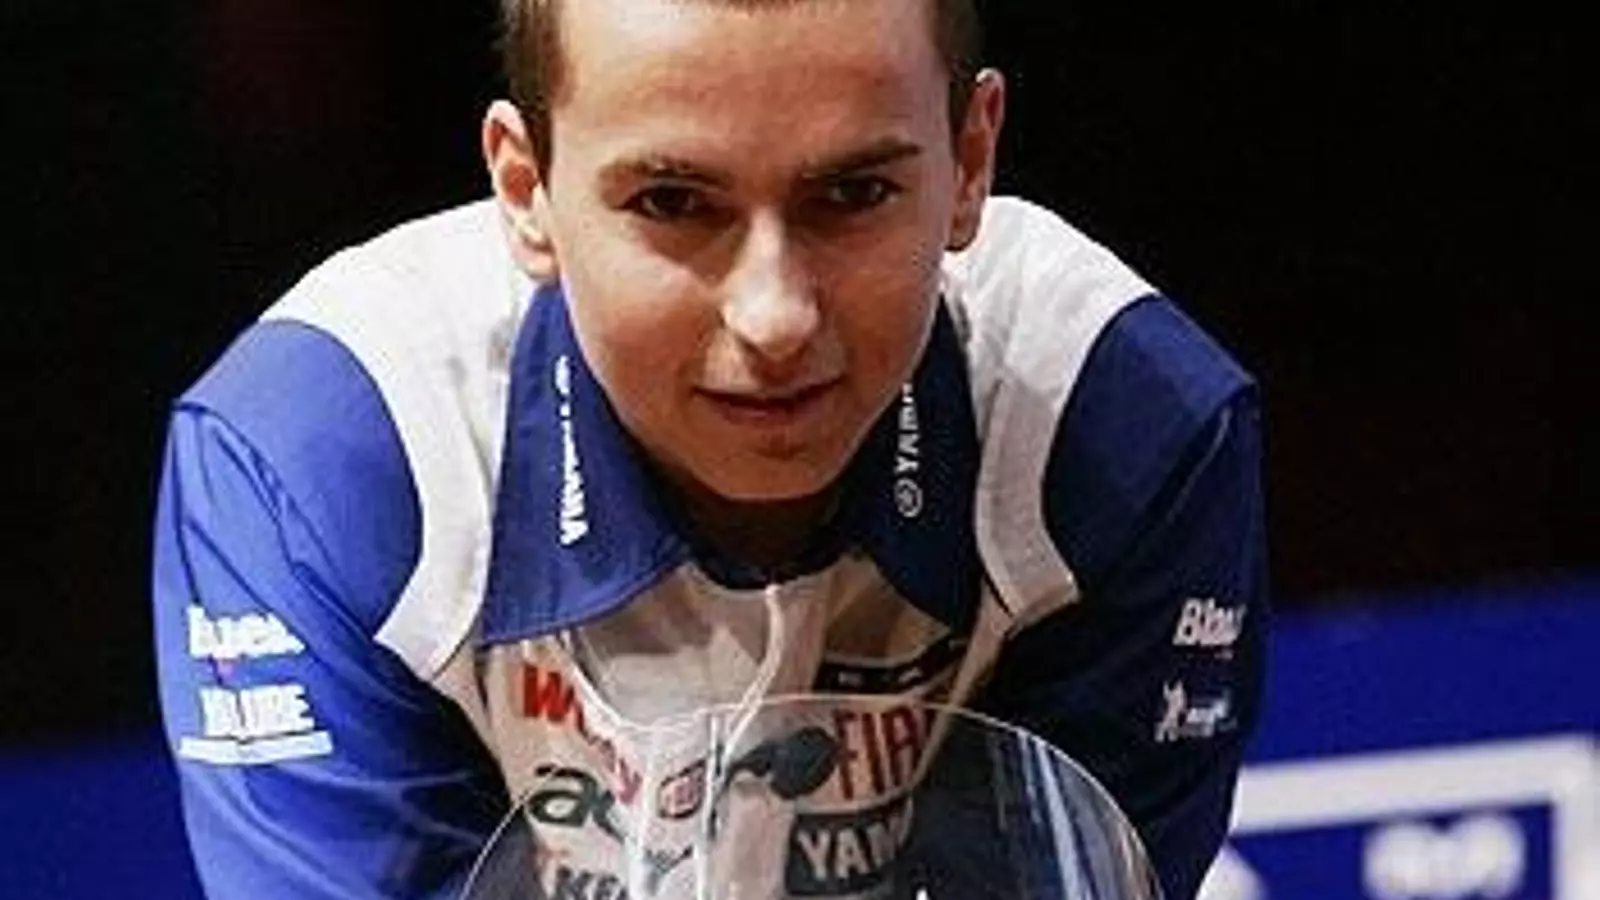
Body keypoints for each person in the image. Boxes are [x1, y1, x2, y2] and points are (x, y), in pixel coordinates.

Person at [152, 0, 1267, 897]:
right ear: (525, 189)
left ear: (971, 160)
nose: (773, 317)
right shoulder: (331, 455)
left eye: (853, 194)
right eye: (674, 202)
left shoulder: (1121, 424)